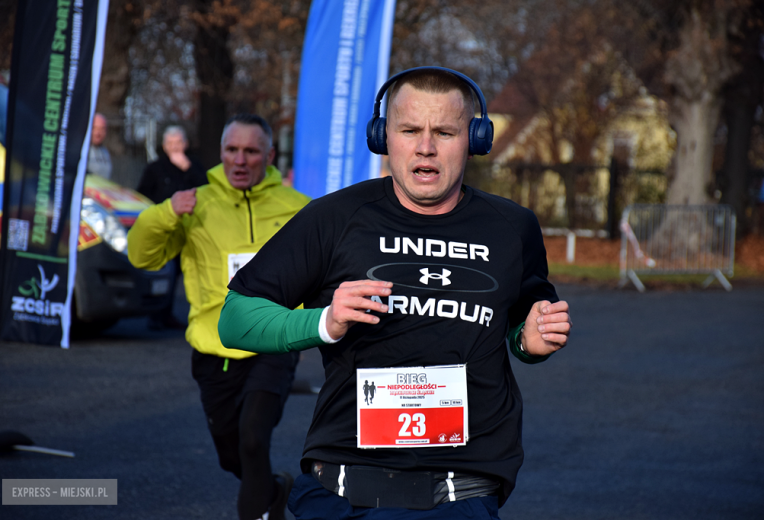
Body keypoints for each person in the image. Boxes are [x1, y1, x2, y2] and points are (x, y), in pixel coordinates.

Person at [218, 67, 572, 519]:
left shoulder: (512, 227)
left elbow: (525, 327)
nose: (426, 146)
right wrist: (324, 322)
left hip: (459, 488)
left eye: (444, 131)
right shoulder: (335, 217)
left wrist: (531, 342)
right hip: (344, 483)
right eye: (409, 130)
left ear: (475, 138)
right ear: (383, 136)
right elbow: (235, 318)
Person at [127, 113, 311, 520]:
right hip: (215, 348)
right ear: (221, 153)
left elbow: (326, 267)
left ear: (270, 155)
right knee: (233, 457)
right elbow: (141, 255)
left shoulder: (297, 207)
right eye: (232, 150)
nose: (240, 160)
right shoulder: (194, 204)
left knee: (252, 440)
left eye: (250, 151)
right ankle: (276, 490)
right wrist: (165, 212)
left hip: (274, 341)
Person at [136, 125, 207, 330]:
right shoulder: (154, 168)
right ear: (165, 146)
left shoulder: (194, 165)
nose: (175, 147)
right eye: (171, 143)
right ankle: (156, 315)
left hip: (191, 228)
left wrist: (187, 168)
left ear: (185, 144)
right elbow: (142, 195)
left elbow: (206, 189)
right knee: (164, 271)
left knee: (186, 271)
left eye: (178, 143)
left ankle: (180, 313)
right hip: (165, 228)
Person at [87, 113, 112, 179]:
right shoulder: (82, 151)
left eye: (102, 129)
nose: (98, 133)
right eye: (95, 128)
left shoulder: (105, 152)